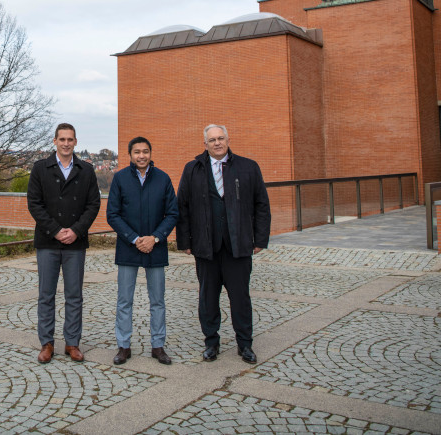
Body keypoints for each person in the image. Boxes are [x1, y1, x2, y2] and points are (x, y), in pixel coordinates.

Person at [177, 124, 270, 364]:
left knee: (241, 298)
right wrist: (185, 241)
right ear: (204, 144)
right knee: (208, 298)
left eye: (221, 138)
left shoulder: (248, 167)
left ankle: (245, 344)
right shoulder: (193, 169)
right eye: (212, 140)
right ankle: (211, 342)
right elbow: (182, 207)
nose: (217, 143)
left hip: (237, 246)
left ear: (228, 140)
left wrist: (259, 239)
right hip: (205, 247)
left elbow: (261, 204)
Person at [27, 122, 101, 364]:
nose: (66, 143)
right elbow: (34, 204)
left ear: (76, 142)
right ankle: (46, 343)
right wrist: (57, 230)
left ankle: (72, 343)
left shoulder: (86, 170)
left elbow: (93, 205)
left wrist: (76, 231)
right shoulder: (40, 168)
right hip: (48, 241)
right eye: (62, 139)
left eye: (70, 139)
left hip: (75, 243)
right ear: (55, 141)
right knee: (46, 295)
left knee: (74, 295)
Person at [106, 136, 179, 365]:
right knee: (124, 300)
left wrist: (155, 238)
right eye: (137, 152)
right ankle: (124, 346)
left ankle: (158, 346)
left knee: (157, 300)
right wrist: (135, 238)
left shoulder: (163, 179)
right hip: (129, 248)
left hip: (155, 249)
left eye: (145, 151)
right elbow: (112, 215)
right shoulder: (119, 179)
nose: (141, 156)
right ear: (130, 155)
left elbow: (173, 214)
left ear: (150, 153)